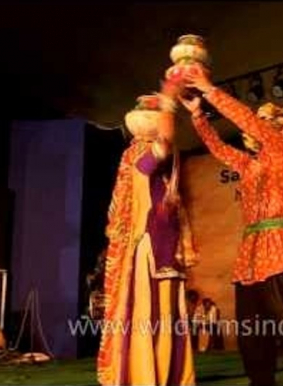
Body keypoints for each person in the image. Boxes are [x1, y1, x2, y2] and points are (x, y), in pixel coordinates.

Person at [178, 63, 283, 386]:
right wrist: (197, 116)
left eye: (267, 122)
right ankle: (261, 381)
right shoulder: (249, 164)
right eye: (261, 122)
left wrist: (208, 89)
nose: (258, 126)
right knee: (251, 329)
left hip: (277, 245)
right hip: (251, 252)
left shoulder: (279, 150)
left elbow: (245, 119)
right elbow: (219, 149)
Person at [97, 80, 198, 386]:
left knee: (167, 316)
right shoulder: (140, 156)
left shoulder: (165, 166)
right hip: (149, 246)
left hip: (167, 246)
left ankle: (167, 376)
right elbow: (165, 142)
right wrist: (168, 100)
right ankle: (146, 378)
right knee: (150, 316)